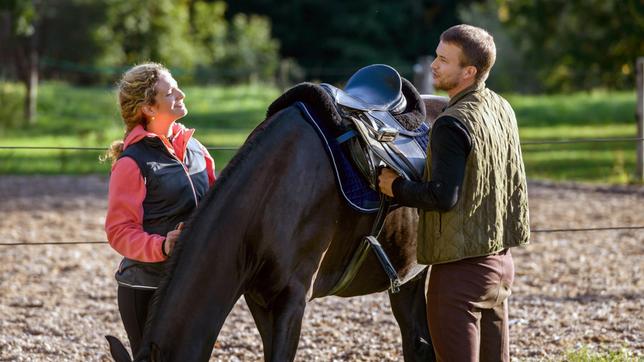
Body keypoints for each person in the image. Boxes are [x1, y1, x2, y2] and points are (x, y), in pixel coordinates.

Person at [378, 24, 529, 361]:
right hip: (501, 266)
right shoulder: (502, 108)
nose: (434, 65)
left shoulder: (451, 123)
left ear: (469, 71)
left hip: (460, 277)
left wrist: (395, 187)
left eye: (444, 60)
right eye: (436, 55)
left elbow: (443, 196)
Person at [102, 62, 216, 356]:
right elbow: (119, 232)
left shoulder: (198, 150)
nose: (181, 93)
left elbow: (217, 210)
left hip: (193, 285)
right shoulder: (132, 162)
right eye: (170, 92)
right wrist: (164, 247)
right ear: (149, 109)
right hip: (146, 289)